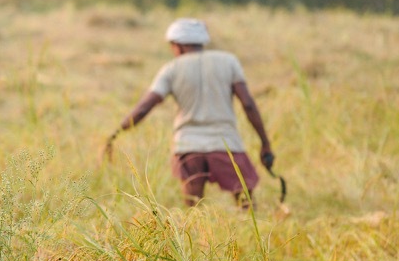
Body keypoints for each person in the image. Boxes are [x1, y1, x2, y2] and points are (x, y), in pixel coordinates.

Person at [107, 18, 275, 208]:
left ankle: (194, 237)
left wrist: (115, 134)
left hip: (188, 145)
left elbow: (144, 108)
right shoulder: (228, 61)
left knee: (193, 208)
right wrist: (265, 144)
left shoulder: (170, 69)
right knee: (246, 205)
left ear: (177, 45)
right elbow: (248, 104)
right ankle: (252, 235)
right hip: (226, 143)